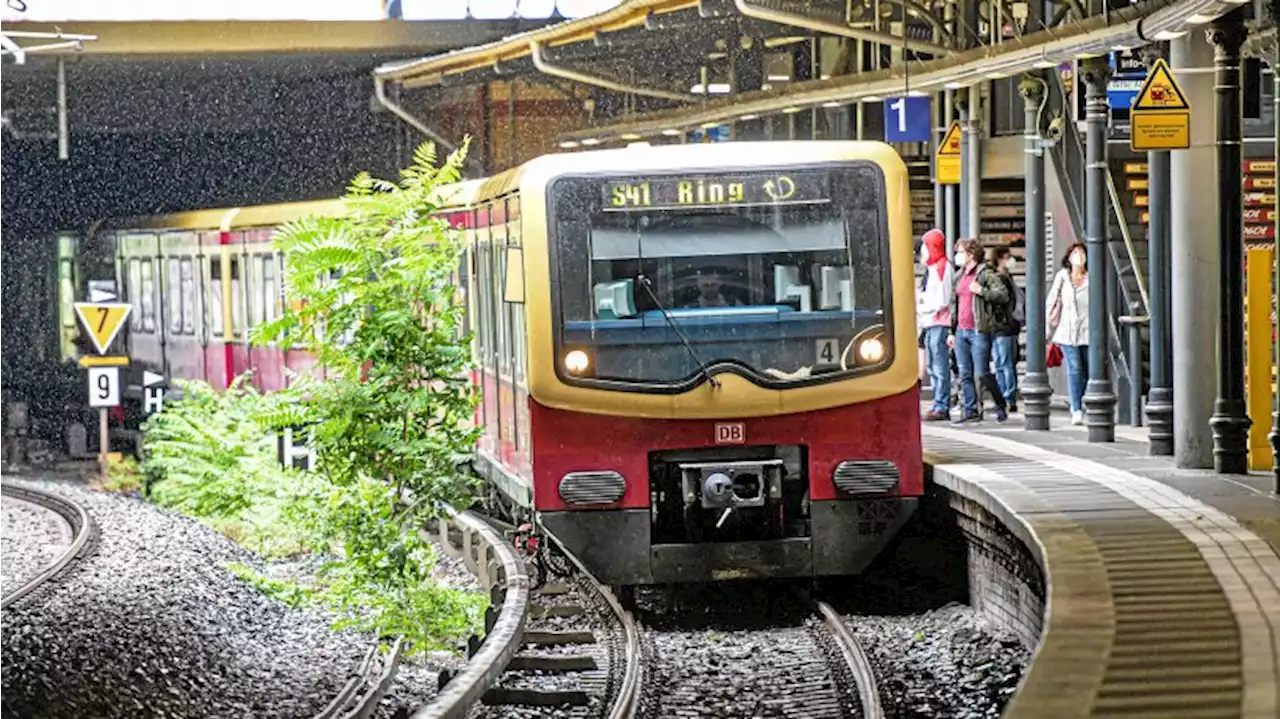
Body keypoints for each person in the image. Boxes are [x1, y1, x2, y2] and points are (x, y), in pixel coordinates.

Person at [948, 238, 1009, 423]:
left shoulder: (984, 274)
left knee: (981, 373)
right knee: (964, 372)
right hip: (961, 330)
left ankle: (1000, 403)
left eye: (960, 252)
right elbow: (954, 305)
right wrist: (951, 331)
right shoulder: (959, 276)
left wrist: (981, 290)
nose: (957, 255)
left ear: (971, 254)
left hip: (978, 330)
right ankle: (970, 410)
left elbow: (1002, 294)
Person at [1047, 242, 1089, 425]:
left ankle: (1079, 400)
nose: (1078, 255)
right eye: (1074, 252)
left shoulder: (1091, 277)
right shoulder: (1062, 276)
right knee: (1075, 368)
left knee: (1087, 371)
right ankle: (1077, 409)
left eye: (1081, 252)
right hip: (1066, 331)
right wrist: (1047, 327)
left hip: (1088, 331)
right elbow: (1052, 300)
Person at [915, 229, 953, 421]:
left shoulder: (943, 268)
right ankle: (939, 402)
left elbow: (943, 299)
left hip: (938, 322)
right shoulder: (931, 270)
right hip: (930, 323)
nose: (922, 251)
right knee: (932, 366)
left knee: (939, 366)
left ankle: (942, 404)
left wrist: (924, 307)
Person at [988, 246, 1023, 413]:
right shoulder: (1004, 278)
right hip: (1006, 326)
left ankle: (1007, 397)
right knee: (1004, 363)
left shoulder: (1002, 278)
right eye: (1008, 256)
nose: (1011, 260)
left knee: (1003, 363)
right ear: (1000, 259)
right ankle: (1007, 396)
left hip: (1003, 326)